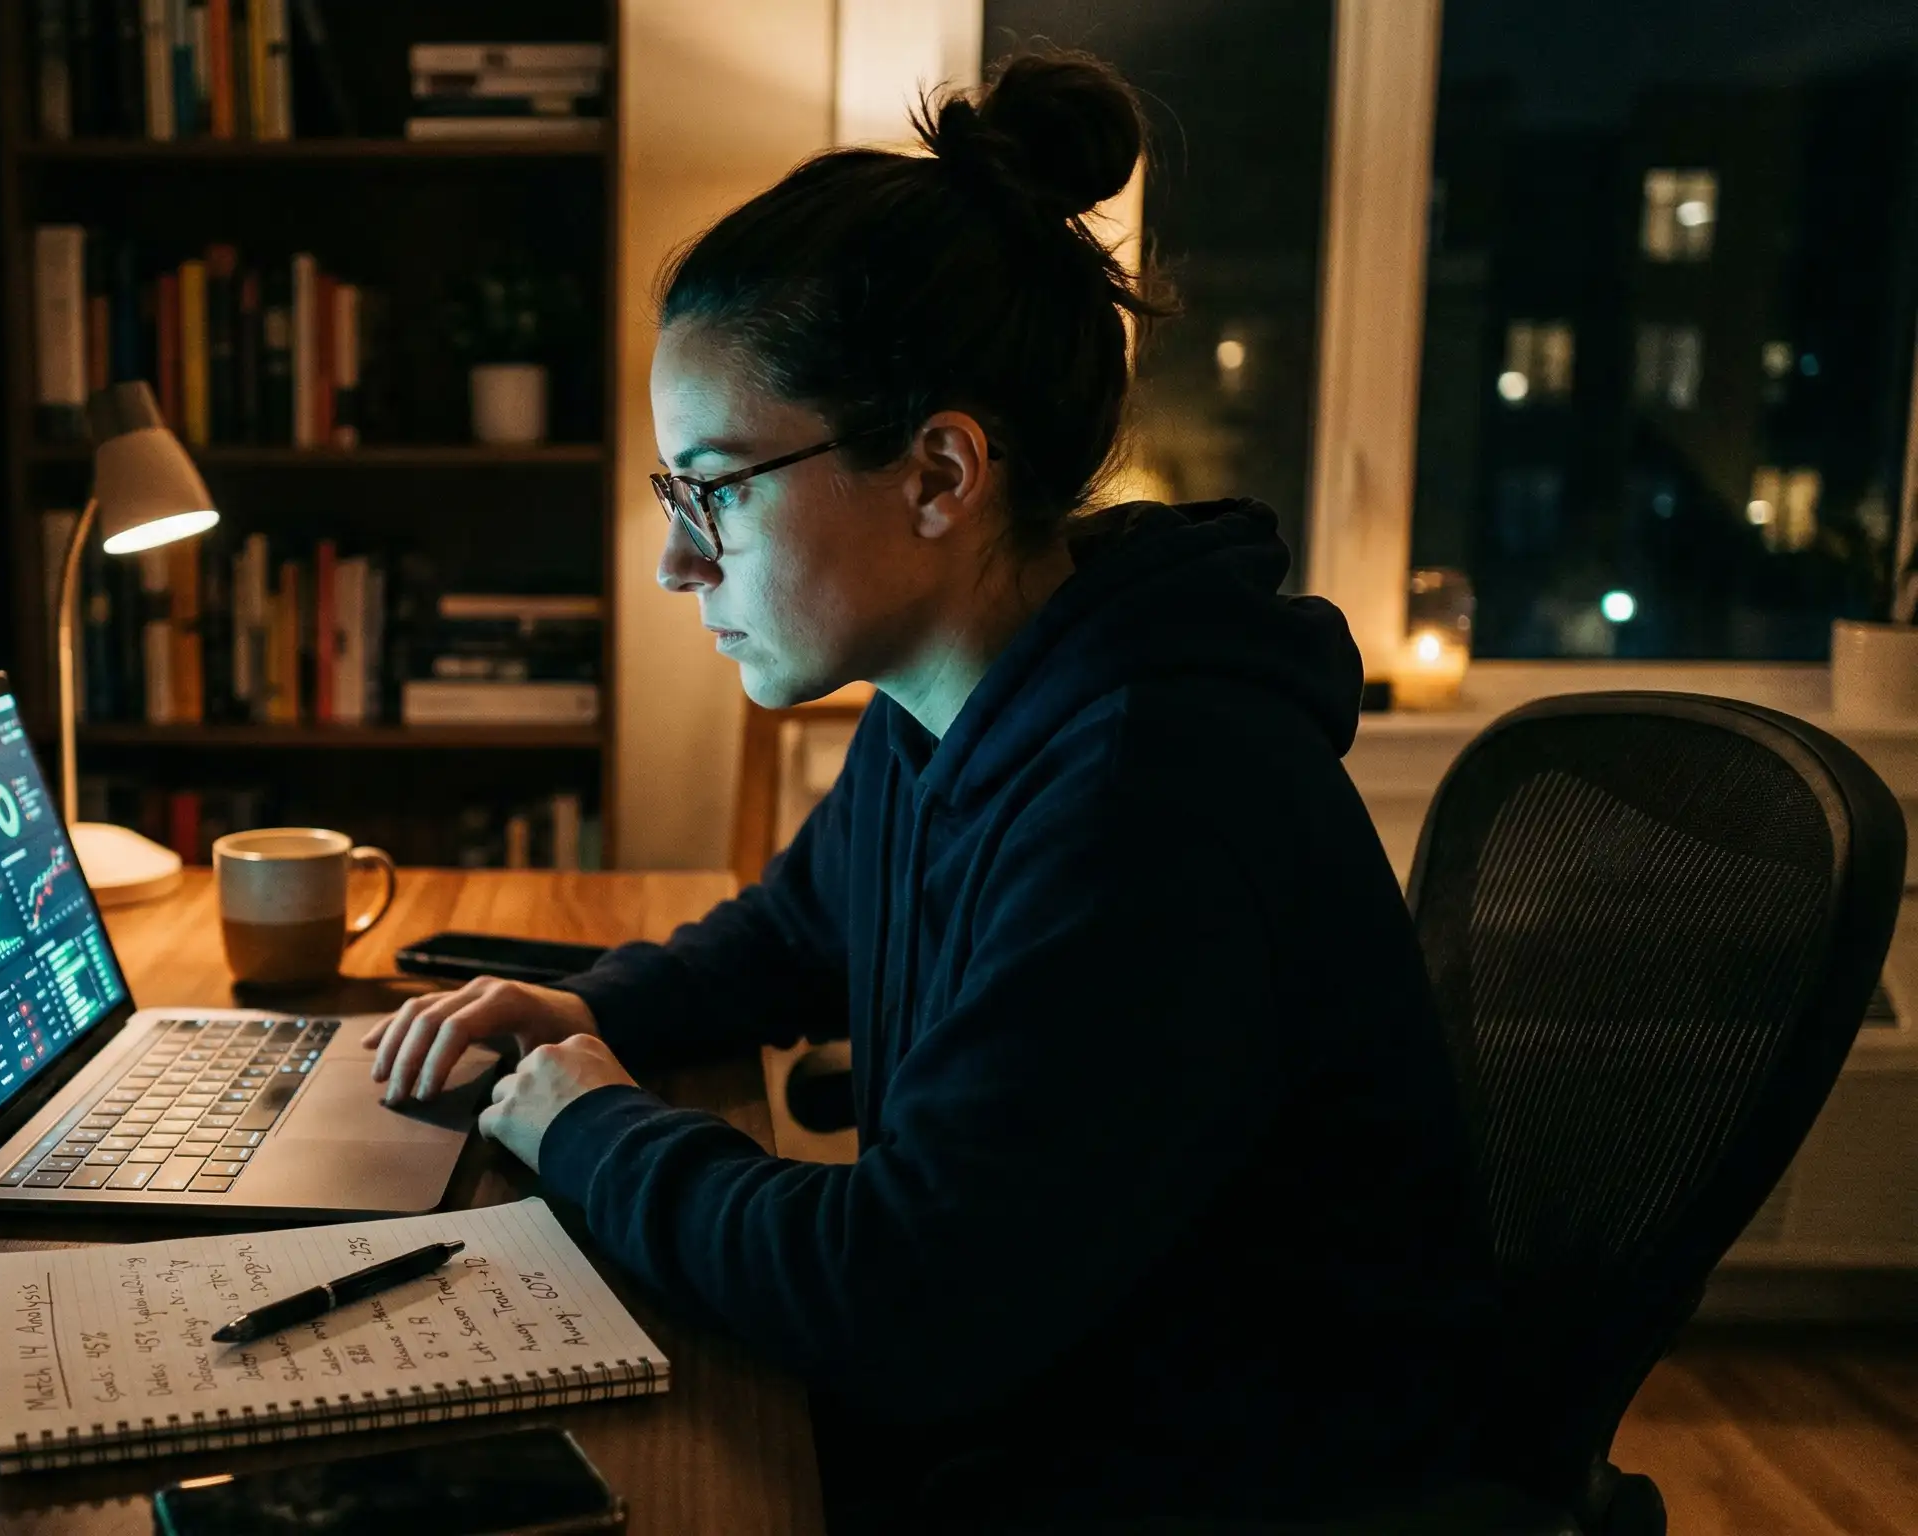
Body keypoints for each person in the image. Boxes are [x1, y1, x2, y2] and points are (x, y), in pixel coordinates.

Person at [362, 48, 1497, 1532]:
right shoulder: (954, 696)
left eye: (716, 490)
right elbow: (790, 936)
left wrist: (587, 1125)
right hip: (1059, 1407)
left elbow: (898, 1301)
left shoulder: (1153, 794)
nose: (674, 562)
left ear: (940, 472)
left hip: (1213, 1482)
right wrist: (597, 1016)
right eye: (671, 495)